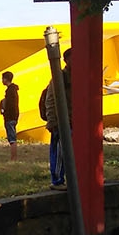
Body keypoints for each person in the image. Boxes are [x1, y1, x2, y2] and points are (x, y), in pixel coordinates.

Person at [39, 48, 72, 189]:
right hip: (61, 121)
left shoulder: (79, 76)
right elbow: (50, 100)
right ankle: (57, 180)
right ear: (66, 61)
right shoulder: (60, 77)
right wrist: (52, 121)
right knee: (59, 151)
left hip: (74, 120)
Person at [0, 71, 20, 161]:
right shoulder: (14, 90)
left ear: (5, 79)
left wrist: (5, 112)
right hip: (14, 116)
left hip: (10, 117)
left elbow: (10, 105)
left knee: (12, 139)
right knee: (12, 137)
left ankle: (13, 158)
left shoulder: (10, 91)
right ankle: (13, 157)